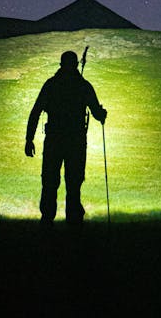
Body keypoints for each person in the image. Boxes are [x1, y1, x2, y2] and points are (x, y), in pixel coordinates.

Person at [25, 50, 107, 225]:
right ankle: (74, 224)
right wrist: (102, 114)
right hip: (76, 142)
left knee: (49, 182)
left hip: (54, 140)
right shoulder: (84, 86)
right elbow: (97, 113)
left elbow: (36, 111)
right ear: (76, 65)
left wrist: (29, 139)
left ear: (61, 65)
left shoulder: (51, 85)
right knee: (74, 183)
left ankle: (47, 222)